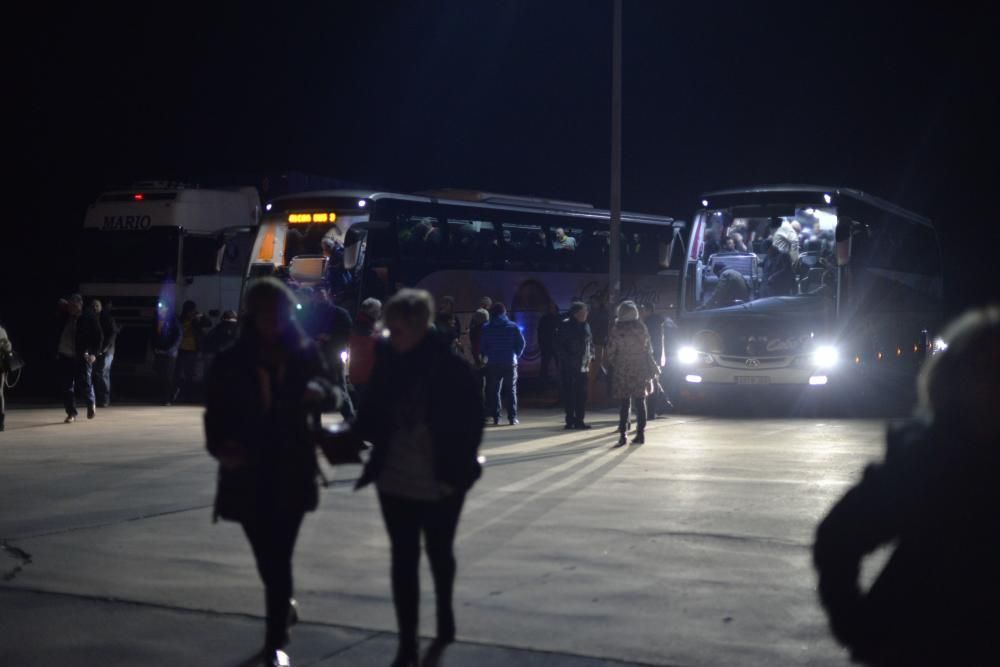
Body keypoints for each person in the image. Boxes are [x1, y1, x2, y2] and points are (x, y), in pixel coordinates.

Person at [813, 305, 1000, 666]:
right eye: (989, 374)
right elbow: (838, 537)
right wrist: (858, 628)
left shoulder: (924, 457)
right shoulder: (929, 462)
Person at [338, 288, 484, 667]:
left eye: (397, 329)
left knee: (438, 552)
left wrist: (458, 471)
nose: (391, 336)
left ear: (419, 326)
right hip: (395, 479)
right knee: (403, 558)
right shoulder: (387, 364)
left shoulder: (451, 368)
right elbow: (369, 417)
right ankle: (407, 641)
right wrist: (344, 438)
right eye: (390, 329)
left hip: (442, 478)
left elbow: (471, 424)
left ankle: (444, 616)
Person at [204, 278, 339, 667]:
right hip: (246, 468)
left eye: (278, 314)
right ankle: (283, 606)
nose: (272, 322)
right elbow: (216, 413)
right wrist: (221, 448)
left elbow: (334, 390)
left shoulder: (305, 353)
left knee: (279, 554)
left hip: (292, 466)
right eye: (265, 314)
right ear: (253, 315)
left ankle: (276, 638)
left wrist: (318, 390)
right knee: (266, 554)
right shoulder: (232, 360)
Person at [606, 301, 659, 446]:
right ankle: (640, 434)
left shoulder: (616, 329)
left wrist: (615, 363)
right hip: (640, 368)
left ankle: (623, 434)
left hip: (622, 369)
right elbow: (649, 348)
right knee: (641, 401)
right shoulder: (641, 327)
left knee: (624, 403)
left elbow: (610, 350)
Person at [300, 287, 354, 420]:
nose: (319, 299)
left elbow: (347, 334)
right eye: (317, 296)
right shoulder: (310, 314)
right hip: (316, 357)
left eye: (321, 296)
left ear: (327, 295)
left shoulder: (340, 314)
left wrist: (330, 338)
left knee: (339, 388)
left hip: (332, 356)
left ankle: (350, 418)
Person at [55, 294, 103, 423]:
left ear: (80, 304)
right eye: (70, 306)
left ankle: (90, 403)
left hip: (82, 354)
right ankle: (71, 413)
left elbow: (98, 337)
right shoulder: (65, 315)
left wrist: (94, 353)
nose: (72, 309)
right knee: (66, 386)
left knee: (84, 382)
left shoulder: (88, 316)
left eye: (74, 306)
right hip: (65, 354)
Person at [479, 302, 526, 426]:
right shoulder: (512, 326)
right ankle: (512, 418)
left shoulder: (486, 327)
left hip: (493, 363)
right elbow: (521, 343)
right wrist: (516, 355)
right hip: (510, 362)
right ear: (504, 312)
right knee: (511, 390)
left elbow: (483, 345)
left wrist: (487, 354)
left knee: (494, 391)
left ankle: (496, 417)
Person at [558, 302, 594, 430]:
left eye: (586, 312)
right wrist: (571, 357)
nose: (586, 314)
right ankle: (570, 420)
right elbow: (561, 346)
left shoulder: (586, 326)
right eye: (583, 312)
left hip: (583, 365)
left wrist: (591, 354)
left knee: (582, 394)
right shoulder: (566, 325)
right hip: (569, 366)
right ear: (576, 313)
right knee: (570, 394)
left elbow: (590, 342)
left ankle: (579, 420)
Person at [347, 297, 382, 405]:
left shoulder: (360, 324)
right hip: (366, 374)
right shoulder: (365, 328)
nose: (379, 313)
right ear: (372, 312)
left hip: (359, 372)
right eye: (378, 310)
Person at [175, 300, 211, 403]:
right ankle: (181, 394)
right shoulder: (180, 318)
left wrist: (201, 316)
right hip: (182, 349)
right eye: (190, 310)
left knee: (192, 374)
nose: (191, 312)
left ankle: (190, 396)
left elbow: (208, 323)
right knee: (180, 374)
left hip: (194, 350)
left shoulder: (197, 318)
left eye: (192, 310)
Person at [640, 303, 670, 419]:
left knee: (650, 383)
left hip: (650, 356)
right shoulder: (660, 323)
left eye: (643, 310)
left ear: (648, 311)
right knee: (654, 381)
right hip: (657, 356)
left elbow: (648, 342)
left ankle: (652, 410)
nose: (641, 313)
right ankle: (656, 408)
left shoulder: (648, 323)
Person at [153, 301, 182, 405]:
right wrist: (154, 348)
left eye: (163, 308)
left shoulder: (173, 320)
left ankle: (167, 398)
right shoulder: (156, 320)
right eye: (159, 308)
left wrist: (171, 349)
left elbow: (178, 336)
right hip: (159, 352)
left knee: (167, 376)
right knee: (160, 374)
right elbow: (153, 335)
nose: (160, 310)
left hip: (170, 354)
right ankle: (162, 396)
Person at [93, 299, 120, 407]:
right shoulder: (93, 319)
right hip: (98, 351)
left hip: (107, 351)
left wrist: (104, 348)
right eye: (93, 306)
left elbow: (112, 334)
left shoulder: (107, 319)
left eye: (97, 305)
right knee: (99, 374)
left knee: (103, 373)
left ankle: (105, 399)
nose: (95, 307)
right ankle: (101, 398)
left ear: (101, 307)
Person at [537, 302, 561, 385]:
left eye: (552, 308)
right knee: (545, 366)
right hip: (550, 346)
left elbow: (540, 333)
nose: (551, 309)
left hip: (553, 346)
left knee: (547, 366)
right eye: (551, 308)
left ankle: (544, 384)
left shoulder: (546, 319)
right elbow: (540, 333)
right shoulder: (558, 318)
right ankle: (544, 384)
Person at [0, 320, 11, 431]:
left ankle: (0, 421)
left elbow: (8, 347)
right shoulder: (1, 331)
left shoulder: (1, 331)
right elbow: (8, 347)